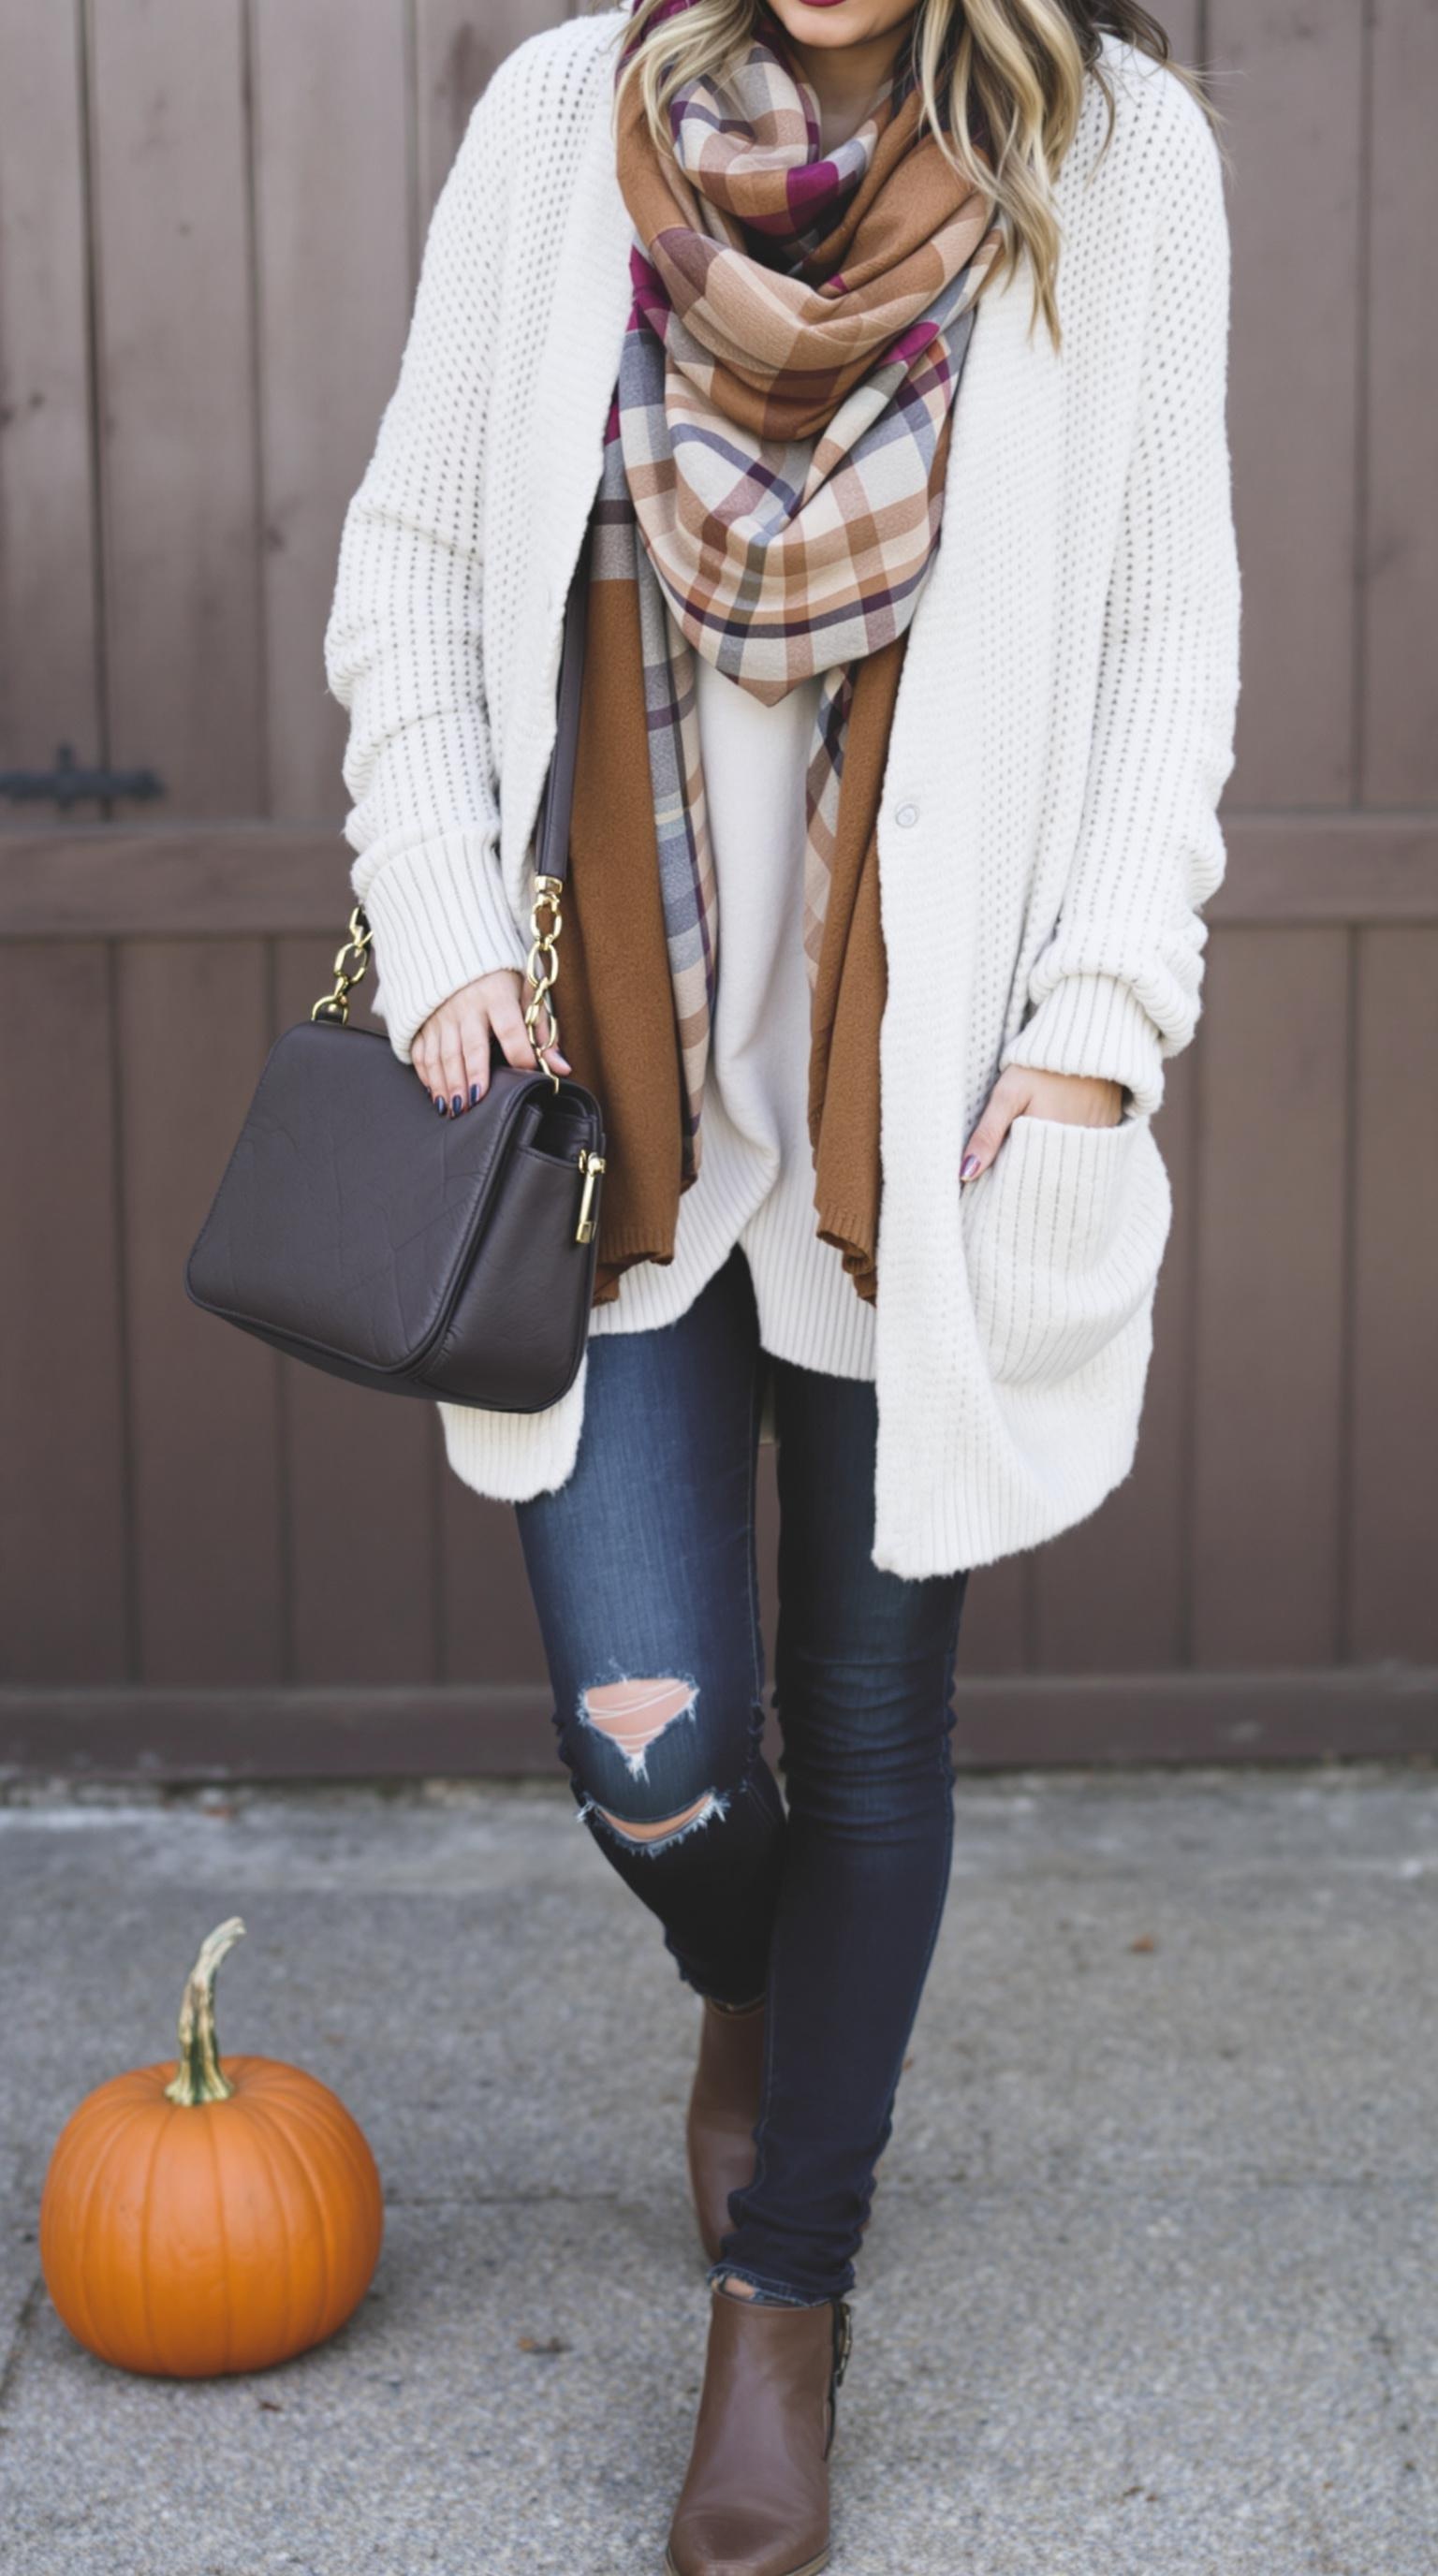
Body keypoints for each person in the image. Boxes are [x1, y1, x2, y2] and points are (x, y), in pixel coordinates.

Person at [325, 2, 1239, 2566]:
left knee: (873, 1721)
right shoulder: (563, 120)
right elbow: (411, 558)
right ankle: (762, 1969)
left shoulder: (1112, 155)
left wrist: (1095, 1030)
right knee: (652, 1745)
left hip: (907, 1117)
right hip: (612, 1092)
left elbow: (1171, 631)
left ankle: (783, 2297)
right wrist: (428, 938)